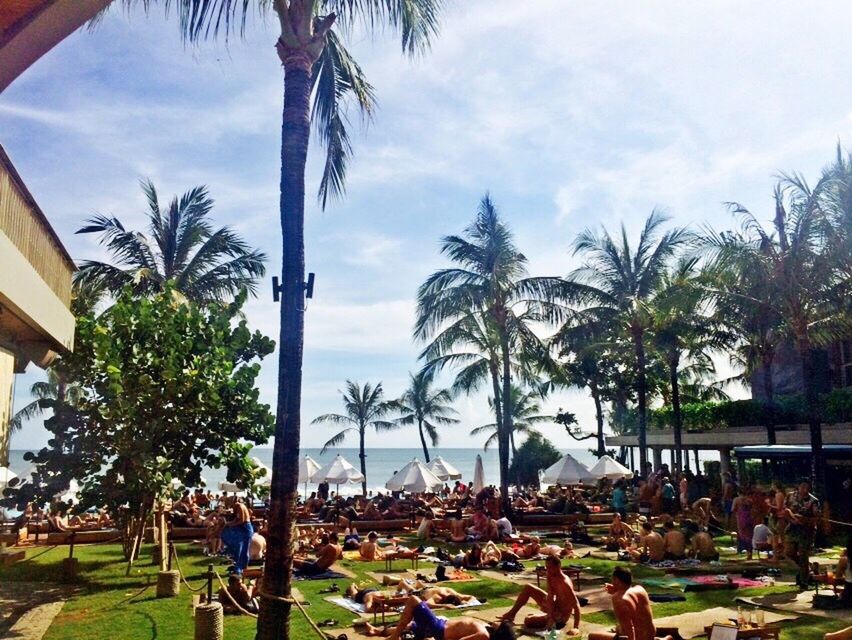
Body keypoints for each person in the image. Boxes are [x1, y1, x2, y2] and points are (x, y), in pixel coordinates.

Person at [362, 596, 516, 640]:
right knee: (410, 626)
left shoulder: (484, 635)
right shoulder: (485, 630)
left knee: (413, 600)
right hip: (440, 626)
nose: (497, 622)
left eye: (500, 623)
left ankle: (394, 637)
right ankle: (377, 631)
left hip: (439, 629)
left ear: (500, 630)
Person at [499, 554, 581, 634]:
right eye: (547, 567)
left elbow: (576, 604)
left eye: (550, 567)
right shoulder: (550, 574)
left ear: (558, 566)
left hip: (560, 616)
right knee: (528, 587)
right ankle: (511, 614)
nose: (548, 569)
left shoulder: (564, 583)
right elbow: (550, 595)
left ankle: (545, 617)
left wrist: (576, 627)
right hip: (554, 607)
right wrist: (550, 614)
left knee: (528, 620)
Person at [587, 566, 674, 640]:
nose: (612, 582)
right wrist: (617, 590)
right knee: (618, 628)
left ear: (617, 580)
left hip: (638, 638)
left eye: (613, 579)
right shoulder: (640, 589)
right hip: (651, 634)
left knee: (591, 636)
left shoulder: (618, 599)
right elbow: (630, 600)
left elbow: (629, 629)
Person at [785, 480, 821, 590]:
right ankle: (807, 568)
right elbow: (785, 510)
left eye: (807, 487)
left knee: (803, 554)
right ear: (798, 486)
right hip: (792, 528)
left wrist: (804, 519)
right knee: (789, 552)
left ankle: (804, 581)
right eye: (803, 486)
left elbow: (817, 518)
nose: (805, 489)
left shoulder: (813, 501)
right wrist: (790, 519)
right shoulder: (791, 496)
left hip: (807, 530)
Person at [220, 500, 253, 573]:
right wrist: (229, 523)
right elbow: (236, 519)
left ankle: (243, 567)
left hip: (245, 529)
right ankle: (238, 566)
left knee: (243, 549)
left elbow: (242, 520)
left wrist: (231, 524)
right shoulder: (237, 508)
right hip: (240, 529)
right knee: (238, 548)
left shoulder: (240, 507)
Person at [733, 487, 755, 560]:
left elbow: (733, 509)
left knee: (742, 535)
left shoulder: (736, 499)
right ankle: (750, 553)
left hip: (741, 518)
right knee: (749, 536)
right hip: (749, 518)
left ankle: (741, 549)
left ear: (738, 493)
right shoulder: (749, 500)